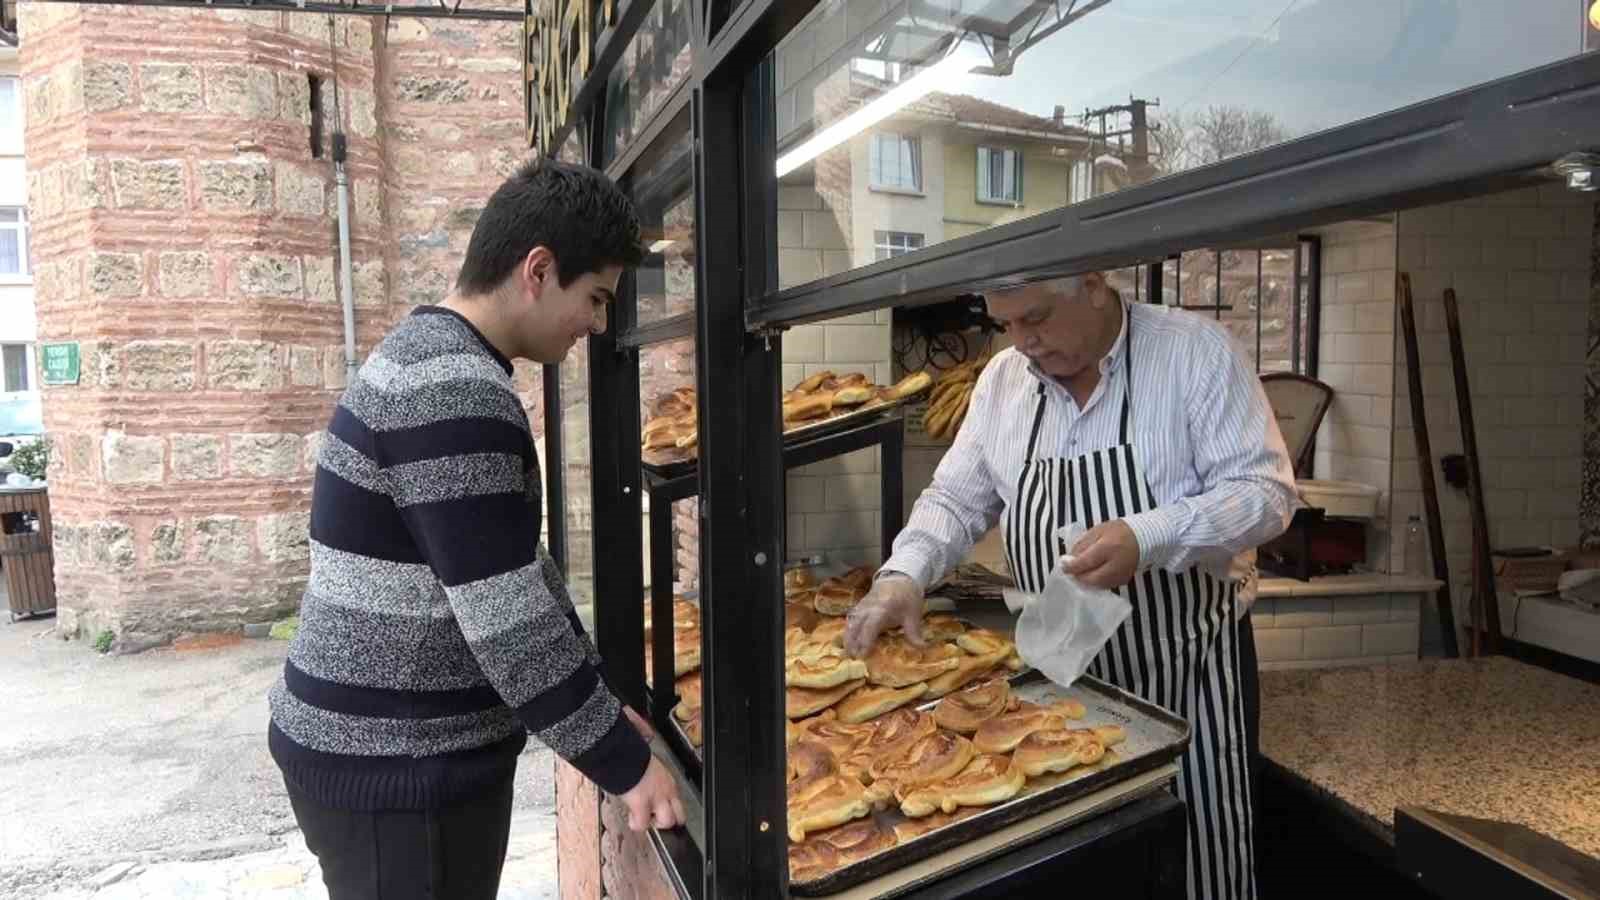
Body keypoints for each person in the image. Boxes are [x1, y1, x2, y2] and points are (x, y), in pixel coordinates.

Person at [268, 159, 684, 900]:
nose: (595, 324)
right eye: (594, 298)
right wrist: (626, 765)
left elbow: (514, 566)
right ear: (538, 269)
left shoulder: (436, 359)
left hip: (380, 754)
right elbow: (509, 627)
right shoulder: (455, 391)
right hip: (397, 768)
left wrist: (591, 687)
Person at [844, 272, 1295, 900]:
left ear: (1093, 283)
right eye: (1007, 324)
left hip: (1189, 674)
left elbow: (1266, 494)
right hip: (1059, 679)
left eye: (1037, 317)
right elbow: (954, 497)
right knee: (1081, 869)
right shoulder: (1003, 382)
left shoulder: (1194, 352)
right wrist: (904, 575)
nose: (1022, 341)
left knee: (1197, 857)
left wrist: (1150, 535)